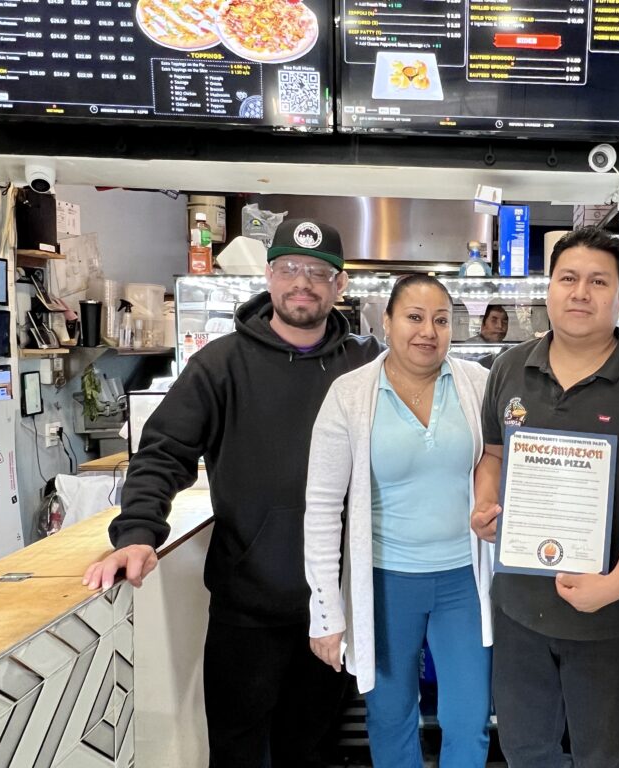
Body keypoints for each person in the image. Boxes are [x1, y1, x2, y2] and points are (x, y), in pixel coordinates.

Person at [82, 219, 383, 768]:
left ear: (339, 287)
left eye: (319, 273)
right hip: (247, 606)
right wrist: (138, 532)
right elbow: (163, 452)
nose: (303, 283)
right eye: (290, 268)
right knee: (237, 751)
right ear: (269, 276)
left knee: (312, 749)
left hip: (335, 605)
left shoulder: (366, 365)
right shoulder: (219, 365)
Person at [471, 226, 619, 768]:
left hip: (608, 615)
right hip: (519, 607)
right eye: (568, 278)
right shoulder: (509, 367)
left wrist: (617, 584)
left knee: (601, 755)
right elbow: (494, 455)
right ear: (548, 289)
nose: (581, 293)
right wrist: (484, 505)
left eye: (599, 282)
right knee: (526, 750)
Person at [305, 274, 493, 767]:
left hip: (465, 582)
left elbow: (500, 462)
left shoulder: (477, 384)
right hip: (385, 583)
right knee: (390, 719)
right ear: (386, 322)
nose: (428, 331)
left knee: (469, 721)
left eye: (441, 320)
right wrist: (325, 611)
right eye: (414, 317)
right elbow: (323, 507)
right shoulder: (349, 395)